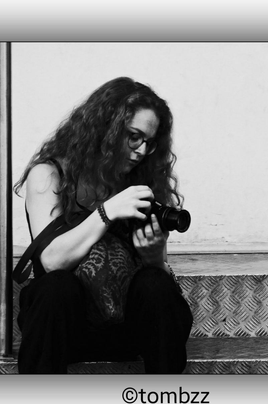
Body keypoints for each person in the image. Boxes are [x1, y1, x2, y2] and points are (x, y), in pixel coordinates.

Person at [13, 77, 193, 374]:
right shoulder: (50, 175)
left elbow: (156, 290)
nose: (140, 150)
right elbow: (51, 259)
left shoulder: (137, 181)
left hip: (126, 328)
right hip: (66, 327)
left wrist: (155, 257)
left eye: (149, 143)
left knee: (156, 284)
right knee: (55, 288)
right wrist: (106, 212)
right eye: (133, 136)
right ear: (105, 127)